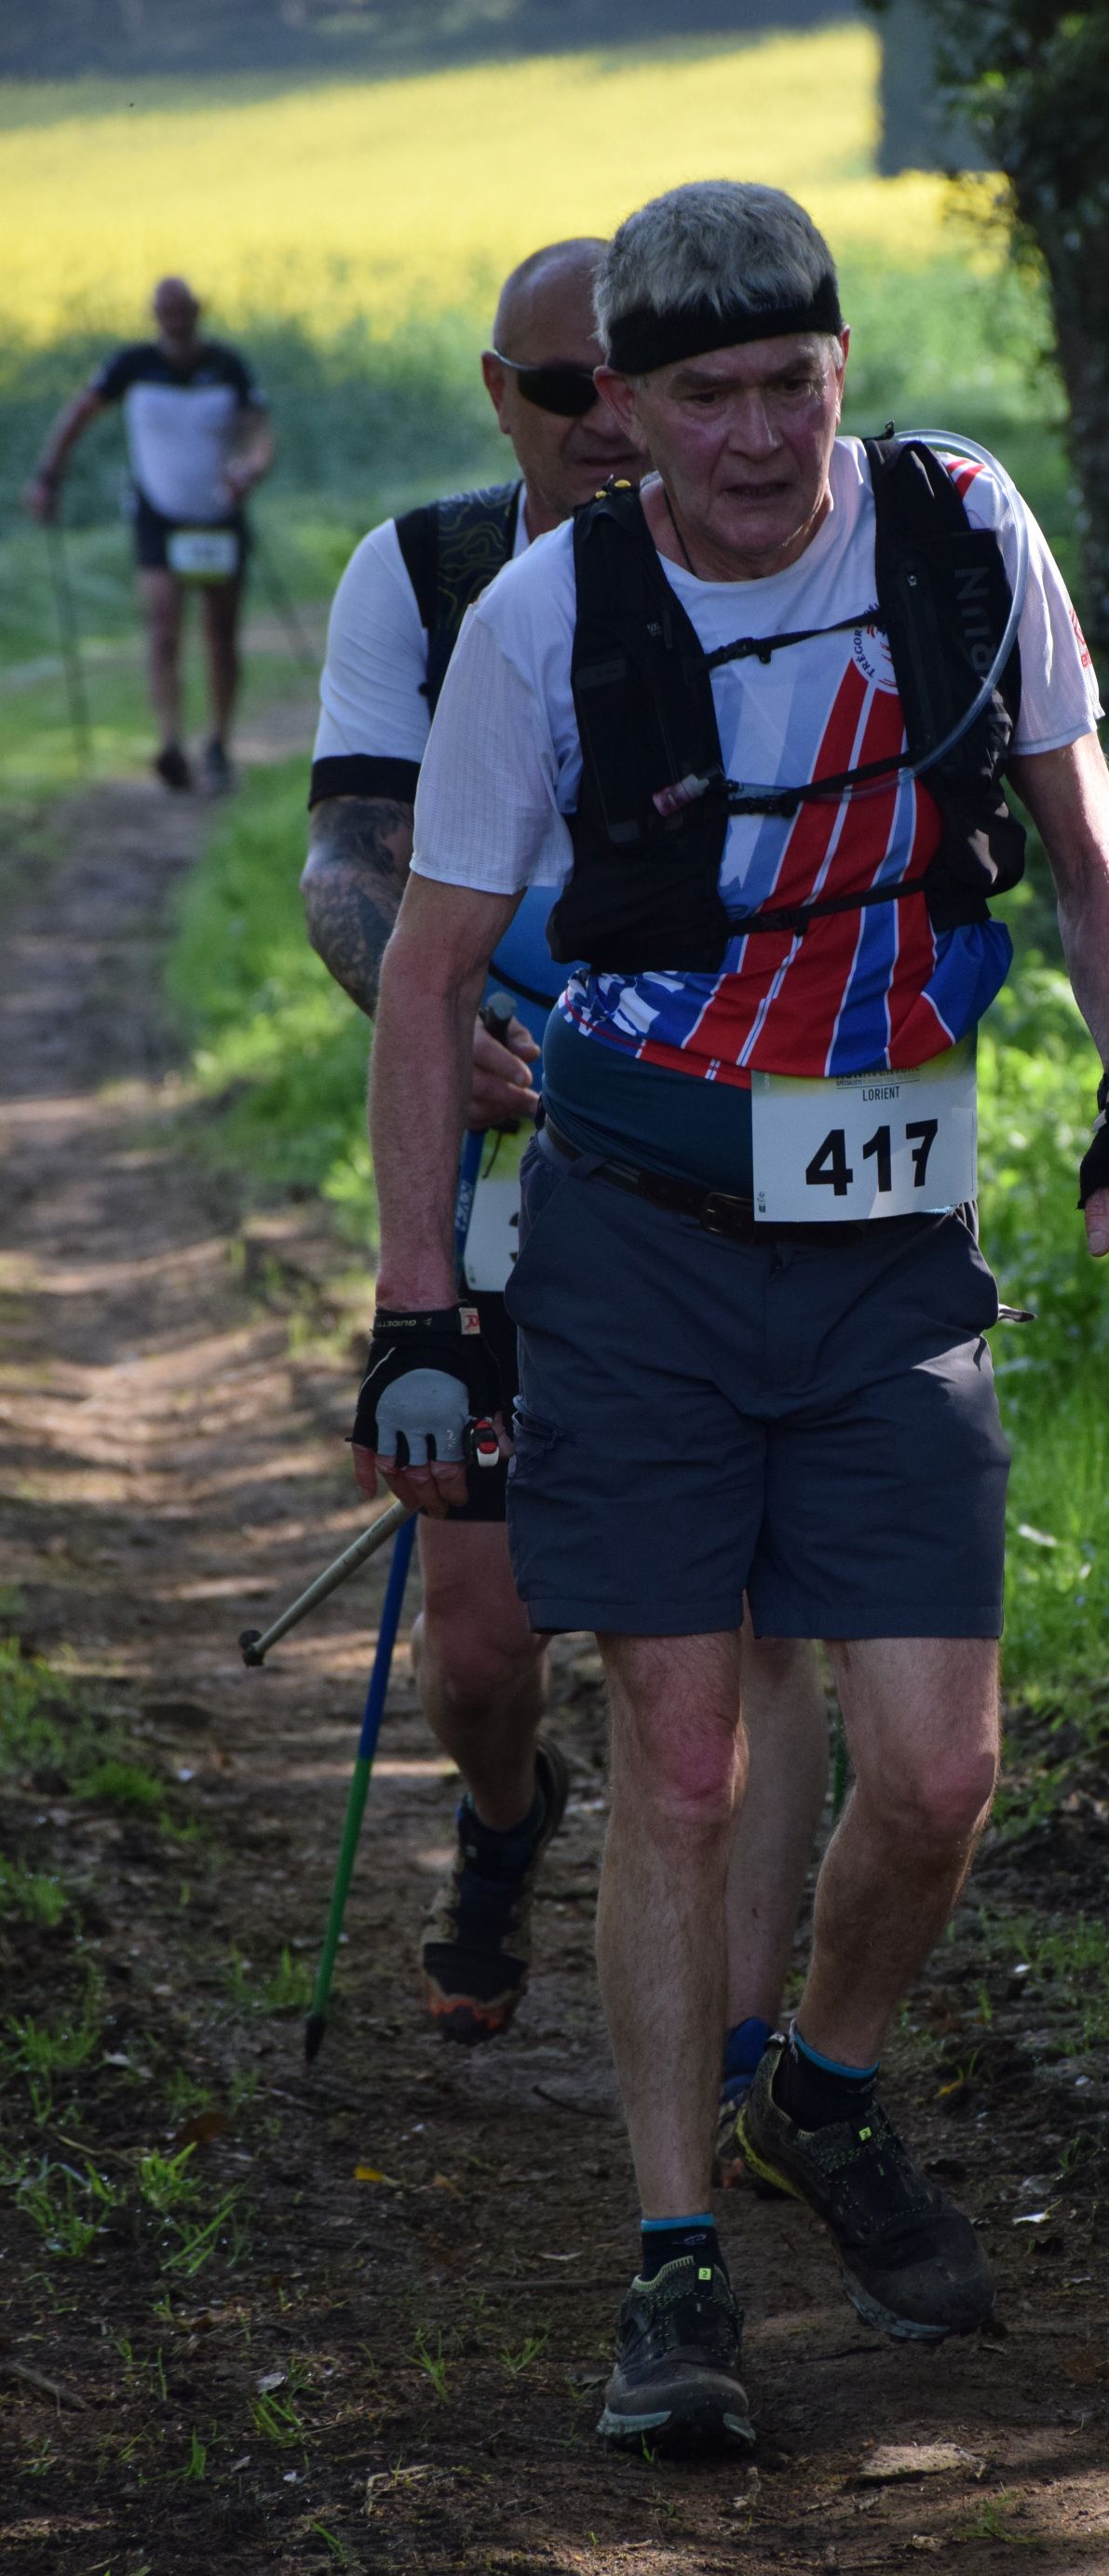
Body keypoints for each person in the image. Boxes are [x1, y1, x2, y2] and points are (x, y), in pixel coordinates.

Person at [355, 182, 1109, 2457]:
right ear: (620, 409)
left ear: (842, 369)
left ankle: (815, 2093)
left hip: (890, 1231)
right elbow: (428, 977)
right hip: (634, 1241)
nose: (755, 437)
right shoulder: (546, 620)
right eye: (705, 396)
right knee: (689, 1759)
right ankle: (671, 2263)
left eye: (791, 386)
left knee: (936, 1773)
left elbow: (1092, 844)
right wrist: (422, 1308)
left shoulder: (956, 536)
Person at [305, 237, 829, 2086]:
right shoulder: (429, 574)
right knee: (480, 1645)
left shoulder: (784, 562)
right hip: (506, 1131)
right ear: (500, 396)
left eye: (632, 384)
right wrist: (439, 1026)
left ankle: (743, 2037)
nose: (604, 423)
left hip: (726, 1136)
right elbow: (350, 859)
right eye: (561, 390)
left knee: (752, 1619)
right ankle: (509, 1811)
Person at [24, 276, 275, 792]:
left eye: (183, 309)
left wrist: (250, 468)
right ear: (155, 315)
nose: (176, 319)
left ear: (198, 310)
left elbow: (259, 430)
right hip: (158, 516)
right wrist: (49, 476)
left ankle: (219, 744)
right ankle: (170, 742)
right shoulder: (131, 365)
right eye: (167, 310)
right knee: (163, 629)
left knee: (220, 632)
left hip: (220, 513)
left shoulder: (228, 365)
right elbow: (79, 414)